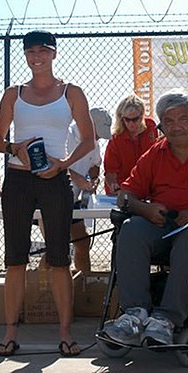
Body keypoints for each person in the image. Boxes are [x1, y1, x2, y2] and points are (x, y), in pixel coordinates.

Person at [0, 30, 94, 357]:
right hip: (19, 181)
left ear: (54, 53)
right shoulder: (13, 94)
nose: (37, 57)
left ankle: (65, 335)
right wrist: (13, 148)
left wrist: (63, 163)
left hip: (55, 180)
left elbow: (88, 140)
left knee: (60, 259)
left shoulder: (71, 92)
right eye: (31, 51)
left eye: (43, 51)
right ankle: (10, 335)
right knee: (15, 259)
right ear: (25, 55)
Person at [102, 90, 188, 347]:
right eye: (169, 121)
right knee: (131, 229)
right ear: (161, 126)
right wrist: (144, 209)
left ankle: (167, 318)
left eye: (183, 118)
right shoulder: (154, 154)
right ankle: (135, 313)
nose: (176, 126)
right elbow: (124, 196)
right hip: (161, 226)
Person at [67, 107, 112, 272]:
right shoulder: (67, 134)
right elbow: (56, 164)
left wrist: (93, 179)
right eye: (98, 132)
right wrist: (79, 179)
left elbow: (95, 164)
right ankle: (46, 286)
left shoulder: (94, 142)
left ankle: (85, 281)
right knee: (58, 247)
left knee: (82, 243)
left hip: (74, 200)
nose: (99, 137)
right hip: (56, 198)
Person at [104, 93, 158, 195]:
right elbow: (110, 171)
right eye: (127, 119)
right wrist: (114, 186)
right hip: (123, 188)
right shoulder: (116, 138)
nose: (131, 124)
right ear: (121, 118)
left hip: (148, 185)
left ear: (142, 115)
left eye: (135, 119)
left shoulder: (151, 127)